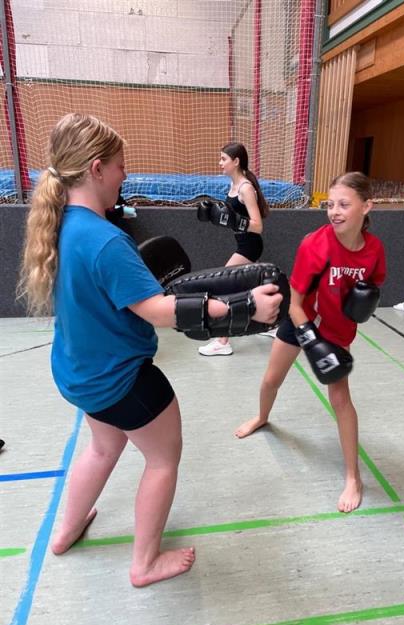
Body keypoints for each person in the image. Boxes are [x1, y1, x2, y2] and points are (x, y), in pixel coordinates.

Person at [17, 113, 282, 587]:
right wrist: (244, 307)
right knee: (162, 458)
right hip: (121, 380)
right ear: (97, 168)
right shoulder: (105, 241)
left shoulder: (61, 226)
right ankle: (144, 564)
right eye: (120, 166)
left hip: (78, 373)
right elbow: (160, 311)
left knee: (104, 446)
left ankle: (65, 531)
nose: (125, 175)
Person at [234, 172, 386, 513]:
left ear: (366, 207)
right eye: (330, 204)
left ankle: (353, 477)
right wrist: (312, 341)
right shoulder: (315, 244)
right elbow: (295, 301)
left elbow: (374, 283)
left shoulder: (374, 249)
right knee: (271, 380)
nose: (334, 211)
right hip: (302, 320)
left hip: (338, 329)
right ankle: (262, 416)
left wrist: (363, 302)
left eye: (344, 204)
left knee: (341, 400)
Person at [198, 142, 270, 356]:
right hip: (242, 243)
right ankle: (274, 324)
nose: (220, 163)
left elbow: (258, 225)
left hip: (250, 246)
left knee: (223, 285)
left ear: (236, 161)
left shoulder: (246, 188)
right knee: (257, 288)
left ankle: (222, 341)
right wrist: (216, 216)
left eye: (223, 159)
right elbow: (232, 218)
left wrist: (236, 221)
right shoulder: (233, 186)